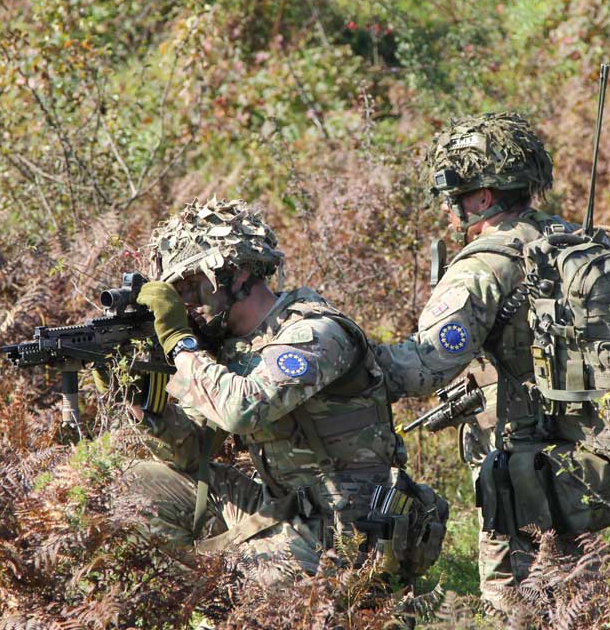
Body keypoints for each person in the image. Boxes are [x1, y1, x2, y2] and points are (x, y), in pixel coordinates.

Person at [374, 112, 610, 612]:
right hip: (589, 458)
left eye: (456, 195)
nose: (451, 209)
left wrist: (339, 355)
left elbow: (422, 367)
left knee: (515, 605)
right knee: (582, 598)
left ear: (483, 197)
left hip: (518, 472)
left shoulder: (483, 266)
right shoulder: (589, 241)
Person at [108, 197, 447, 586]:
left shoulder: (313, 333)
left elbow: (240, 409)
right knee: (135, 483)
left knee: (226, 587)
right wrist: (141, 402)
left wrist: (182, 345)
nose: (185, 303)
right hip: (286, 507)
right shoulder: (236, 346)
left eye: (191, 285)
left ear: (236, 276)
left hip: (347, 528)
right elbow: (192, 452)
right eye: (176, 292)